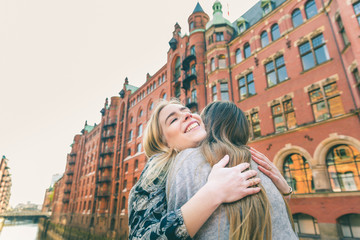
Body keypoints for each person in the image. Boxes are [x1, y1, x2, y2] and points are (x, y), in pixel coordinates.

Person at [128, 99, 293, 239]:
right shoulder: (158, 168)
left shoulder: (223, 154)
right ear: (163, 143)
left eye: (186, 110)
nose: (187, 114)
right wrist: (213, 193)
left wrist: (285, 191)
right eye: (173, 120)